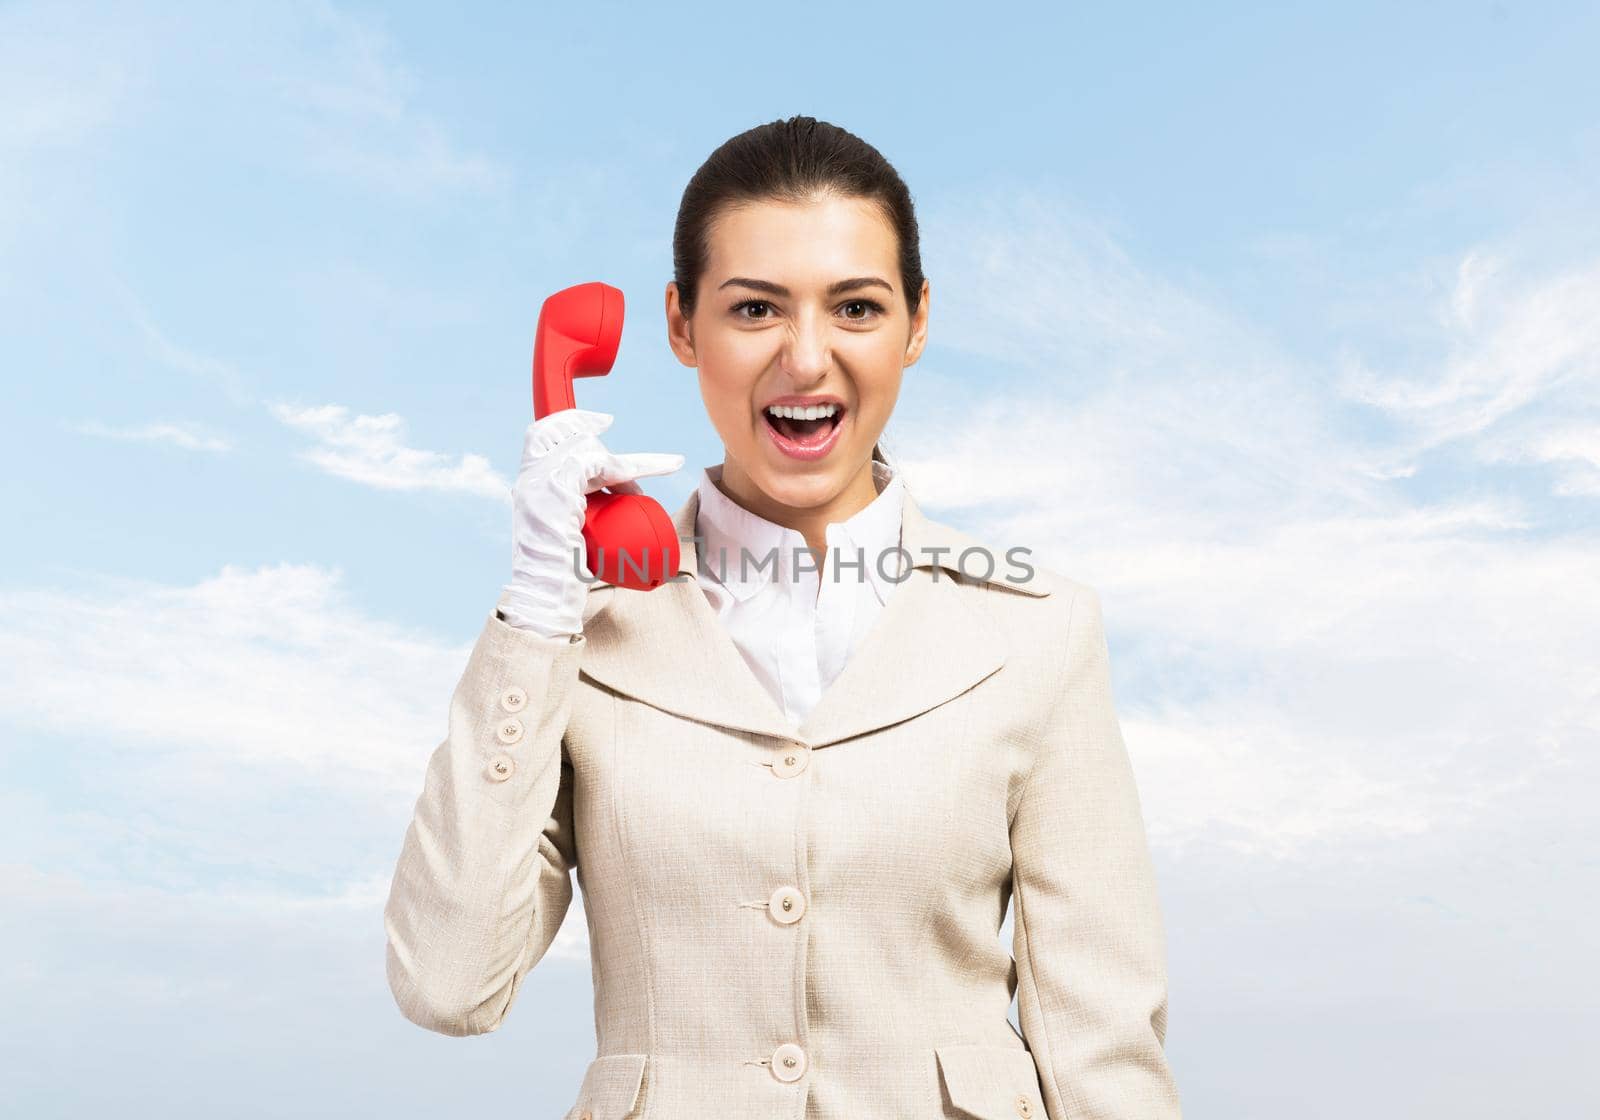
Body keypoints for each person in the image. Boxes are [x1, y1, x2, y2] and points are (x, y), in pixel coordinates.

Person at [383, 115, 1182, 1120]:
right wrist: (539, 603)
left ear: (917, 322)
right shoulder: (572, 633)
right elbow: (447, 983)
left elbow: (1100, 1042)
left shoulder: (1036, 630)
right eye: (755, 308)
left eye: (855, 307)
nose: (806, 359)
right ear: (680, 325)